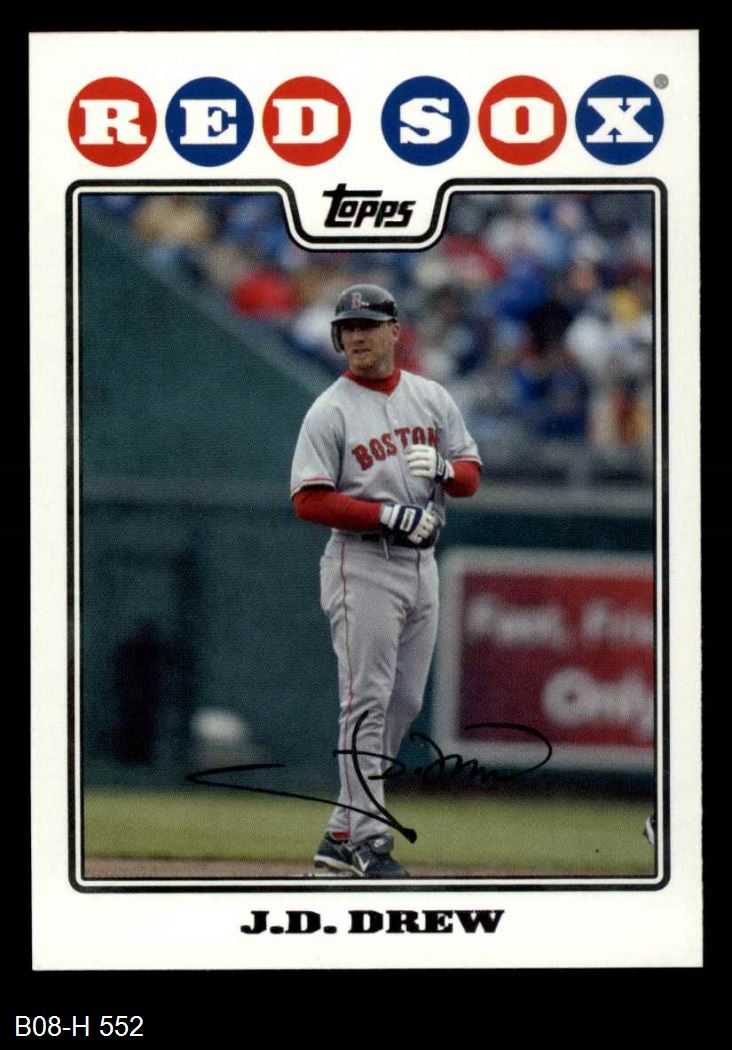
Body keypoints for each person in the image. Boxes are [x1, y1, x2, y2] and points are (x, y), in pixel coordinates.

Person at [290, 284, 482, 878]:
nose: (357, 336)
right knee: (366, 701)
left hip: (423, 564)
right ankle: (368, 841)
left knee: (404, 703)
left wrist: (446, 470)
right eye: (347, 328)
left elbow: (471, 476)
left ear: (395, 331)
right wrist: (385, 515)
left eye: (368, 326)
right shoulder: (330, 409)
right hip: (362, 561)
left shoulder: (431, 397)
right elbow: (308, 499)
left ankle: (339, 832)